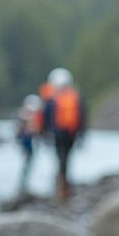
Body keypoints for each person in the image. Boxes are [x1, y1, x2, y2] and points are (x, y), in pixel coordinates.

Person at [41, 67, 86, 200]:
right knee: (66, 158)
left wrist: (44, 133)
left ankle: (61, 184)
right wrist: (82, 134)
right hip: (71, 134)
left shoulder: (52, 99)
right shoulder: (75, 97)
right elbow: (82, 117)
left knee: (60, 157)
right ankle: (64, 184)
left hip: (58, 134)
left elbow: (46, 117)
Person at [14, 93, 43, 194]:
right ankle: (23, 185)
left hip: (27, 143)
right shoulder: (28, 116)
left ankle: (24, 185)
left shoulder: (23, 114)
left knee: (27, 163)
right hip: (27, 143)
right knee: (27, 163)